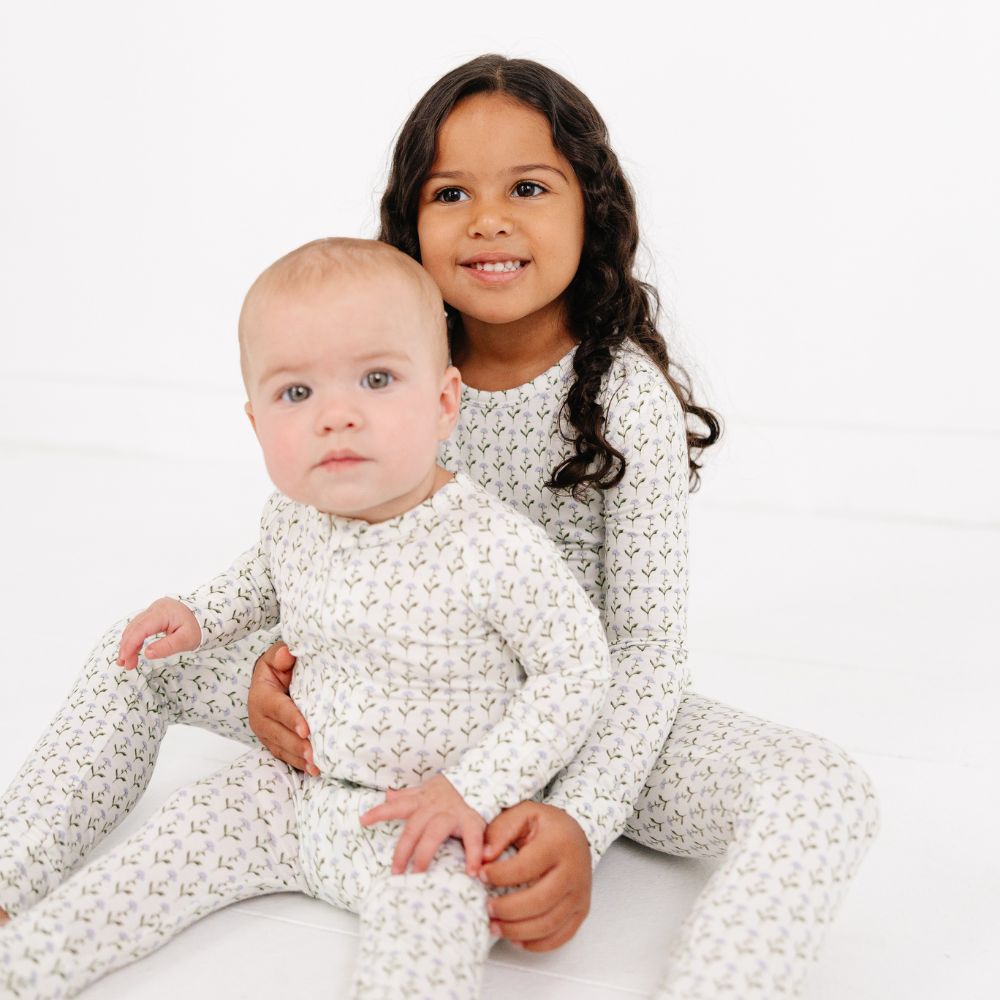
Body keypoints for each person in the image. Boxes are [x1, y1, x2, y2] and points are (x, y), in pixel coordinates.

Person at [0, 55, 880, 999]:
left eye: (530, 188)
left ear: (594, 211)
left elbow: (646, 654)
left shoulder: (622, 399)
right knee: (139, 655)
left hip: (568, 710)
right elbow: (311, 541)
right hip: (374, 687)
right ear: (410, 222)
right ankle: (13, 882)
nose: (489, 219)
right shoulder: (382, 349)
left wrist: (580, 816)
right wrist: (279, 661)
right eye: (451, 191)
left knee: (819, 786)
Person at [0, 237, 611, 998]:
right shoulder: (294, 515)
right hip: (289, 789)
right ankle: (16, 930)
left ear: (444, 401)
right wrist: (196, 613)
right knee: (156, 858)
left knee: (434, 929)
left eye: (378, 379)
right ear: (257, 425)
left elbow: (576, 671)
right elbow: (260, 578)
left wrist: (473, 787)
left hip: (417, 816)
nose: (337, 417)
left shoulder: (492, 545)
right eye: (297, 395)